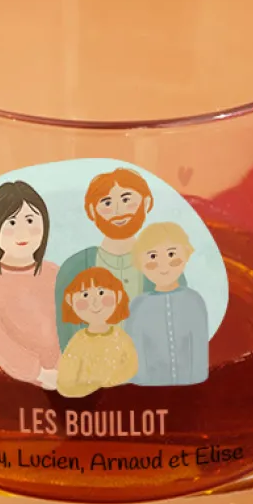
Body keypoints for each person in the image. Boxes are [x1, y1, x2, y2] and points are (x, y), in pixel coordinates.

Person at [54, 167, 185, 351]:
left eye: (126, 200)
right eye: (106, 203)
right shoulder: (74, 267)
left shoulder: (166, 265)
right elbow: (67, 336)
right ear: (92, 211)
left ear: (146, 203)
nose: (118, 211)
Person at [0, 181, 60, 390]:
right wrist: (39, 373)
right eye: (11, 223)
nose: (23, 233)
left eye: (30, 220)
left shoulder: (54, 272)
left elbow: (71, 321)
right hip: (16, 385)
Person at [124, 222, 209, 386]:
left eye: (171, 254)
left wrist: (196, 385)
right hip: (149, 390)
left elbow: (199, 351)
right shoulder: (138, 306)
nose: (163, 264)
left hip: (189, 390)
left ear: (186, 255)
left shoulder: (194, 301)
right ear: (139, 262)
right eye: (153, 256)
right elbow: (136, 352)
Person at [56, 267, 138, 398]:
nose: (94, 303)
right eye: (85, 295)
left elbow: (130, 368)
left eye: (101, 293)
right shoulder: (78, 341)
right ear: (70, 301)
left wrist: (106, 384)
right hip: (86, 403)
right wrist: (90, 390)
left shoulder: (121, 338)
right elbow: (65, 382)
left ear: (118, 296)